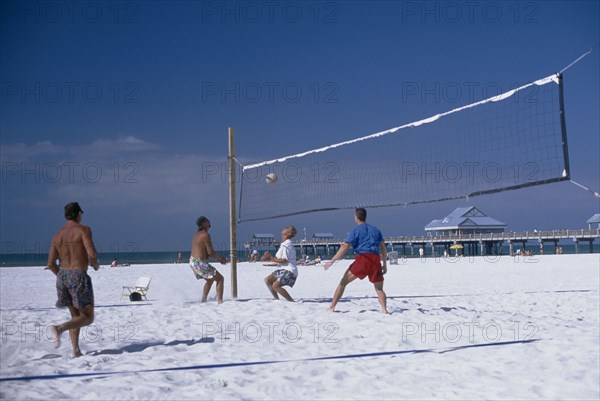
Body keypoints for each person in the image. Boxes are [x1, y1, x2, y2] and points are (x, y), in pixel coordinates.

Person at [46, 202, 99, 357]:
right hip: (78, 276)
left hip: (62, 276)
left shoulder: (57, 235)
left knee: (76, 316)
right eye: (81, 213)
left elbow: (50, 264)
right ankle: (59, 328)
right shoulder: (83, 230)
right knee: (88, 317)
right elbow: (92, 254)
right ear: (78, 214)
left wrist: (63, 276)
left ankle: (75, 350)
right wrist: (95, 265)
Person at [324, 208, 389, 314]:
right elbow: (383, 248)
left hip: (363, 259)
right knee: (379, 289)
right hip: (375, 260)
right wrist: (385, 265)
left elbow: (345, 247)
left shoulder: (355, 230)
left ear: (356, 217)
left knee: (343, 282)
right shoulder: (376, 230)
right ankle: (384, 310)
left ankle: (332, 306)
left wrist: (332, 261)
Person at [189, 216, 227, 303]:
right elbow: (210, 252)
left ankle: (203, 300)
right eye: (207, 221)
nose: (209, 222)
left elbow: (203, 251)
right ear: (203, 223)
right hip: (199, 262)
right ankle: (220, 301)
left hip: (192, 261)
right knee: (220, 279)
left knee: (210, 280)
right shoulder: (205, 235)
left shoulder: (196, 234)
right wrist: (221, 259)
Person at [264, 226, 298, 302]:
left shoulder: (287, 245)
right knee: (267, 280)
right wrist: (269, 257)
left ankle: (291, 301)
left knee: (275, 286)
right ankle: (276, 299)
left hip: (290, 271)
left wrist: (271, 258)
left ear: (288, 233)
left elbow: (284, 260)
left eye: (287, 228)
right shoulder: (284, 244)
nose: (284, 228)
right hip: (283, 269)